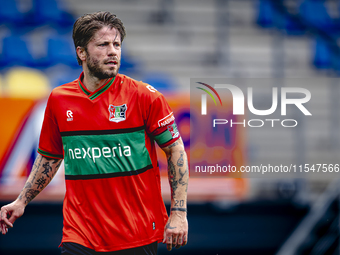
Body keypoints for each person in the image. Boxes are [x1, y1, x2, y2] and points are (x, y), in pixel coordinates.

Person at [0, 11, 189, 255]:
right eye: (103, 44)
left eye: (117, 44)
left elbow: (175, 150)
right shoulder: (59, 100)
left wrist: (179, 213)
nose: (113, 51)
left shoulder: (145, 97)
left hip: (135, 234)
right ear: (81, 53)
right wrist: (21, 201)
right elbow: (50, 157)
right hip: (80, 234)